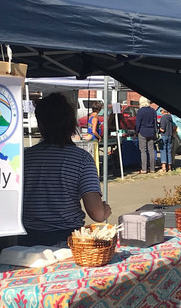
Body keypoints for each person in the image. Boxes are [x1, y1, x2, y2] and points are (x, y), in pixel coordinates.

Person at [21, 92, 112, 246]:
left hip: (26, 239)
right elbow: (97, 214)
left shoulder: (24, 158)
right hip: (67, 239)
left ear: (40, 124)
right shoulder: (81, 159)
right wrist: (105, 210)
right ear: (71, 123)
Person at [134, 97, 158, 174]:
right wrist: (155, 131)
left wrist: (136, 131)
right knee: (151, 150)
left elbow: (138, 123)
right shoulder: (153, 111)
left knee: (143, 151)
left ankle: (144, 169)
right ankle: (152, 168)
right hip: (151, 132)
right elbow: (155, 123)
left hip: (142, 131)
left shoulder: (140, 111)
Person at [157, 106, 175, 173]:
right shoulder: (170, 117)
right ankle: (169, 167)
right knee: (169, 151)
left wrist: (158, 128)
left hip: (164, 135)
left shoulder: (163, 118)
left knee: (163, 150)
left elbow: (162, 129)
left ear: (163, 111)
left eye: (161, 110)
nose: (160, 112)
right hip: (170, 135)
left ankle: (164, 167)